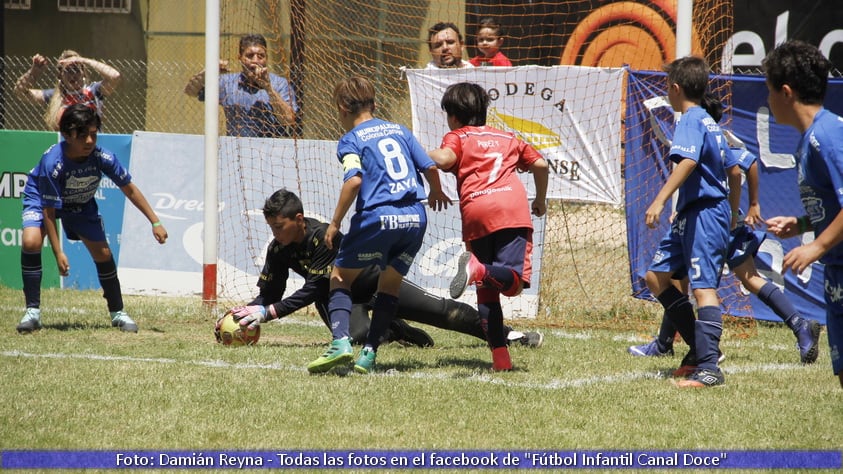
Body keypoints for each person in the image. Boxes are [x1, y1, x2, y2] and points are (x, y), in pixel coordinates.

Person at [219, 189, 544, 348]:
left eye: (279, 226)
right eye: (272, 227)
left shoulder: (322, 237)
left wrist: (270, 312)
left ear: (299, 220)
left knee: (444, 312)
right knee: (357, 339)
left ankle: (511, 336)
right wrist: (251, 310)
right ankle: (396, 330)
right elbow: (271, 292)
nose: (275, 234)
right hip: (339, 300)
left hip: (376, 282)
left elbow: (315, 287)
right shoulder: (278, 249)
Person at [629, 101, 821, 369]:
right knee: (692, 279)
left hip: (713, 223)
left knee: (689, 282)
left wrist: (749, 206)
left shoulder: (710, 140)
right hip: (715, 220)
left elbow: (746, 163)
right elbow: (740, 167)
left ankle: (689, 349)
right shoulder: (711, 139)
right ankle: (666, 344)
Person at [305, 76, 449, 374]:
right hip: (414, 216)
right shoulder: (400, 130)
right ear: (374, 104)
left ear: (343, 107)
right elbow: (431, 167)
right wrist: (435, 190)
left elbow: (354, 180)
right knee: (389, 287)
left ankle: (340, 343)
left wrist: (334, 222)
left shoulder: (351, 139)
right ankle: (369, 354)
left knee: (340, 278)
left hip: (377, 216)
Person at [16, 104, 168, 335]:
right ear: (67, 135)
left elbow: (130, 189)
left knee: (104, 254)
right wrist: (58, 253)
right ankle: (32, 312)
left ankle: (118, 313)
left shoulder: (102, 157)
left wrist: (155, 222)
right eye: (83, 135)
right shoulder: (52, 164)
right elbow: (49, 212)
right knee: (31, 242)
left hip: (80, 204)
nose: (89, 141)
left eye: (94, 134)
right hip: (41, 200)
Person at [428, 82, 549, 372]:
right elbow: (541, 164)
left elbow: (442, 160)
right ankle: (478, 269)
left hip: (476, 212)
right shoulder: (508, 136)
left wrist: (418, 154)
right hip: (510, 210)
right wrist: (540, 199)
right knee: (514, 285)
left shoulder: (458, 136)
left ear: (454, 116)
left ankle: (501, 360)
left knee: (487, 292)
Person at [641, 57, 733, 388]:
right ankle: (697, 349)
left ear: (676, 89)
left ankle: (710, 368)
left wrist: (660, 199)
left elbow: (689, 161)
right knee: (656, 276)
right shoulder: (707, 120)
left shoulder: (691, 119)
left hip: (706, 212)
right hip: (694, 212)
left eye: (668, 87)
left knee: (704, 288)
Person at [762, 40, 843, 389]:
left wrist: (814, 247)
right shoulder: (808, 140)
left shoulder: (828, 135)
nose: (767, 100)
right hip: (836, 272)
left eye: (769, 91)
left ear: (785, 92)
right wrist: (802, 223)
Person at [184, 33, 298, 138]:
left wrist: (268, 88)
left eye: (260, 56)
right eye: (250, 55)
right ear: (240, 58)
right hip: (237, 149)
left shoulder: (279, 84)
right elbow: (190, 91)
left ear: (266, 58)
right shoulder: (227, 83)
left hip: (273, 149)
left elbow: (289, 120)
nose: (255, 61)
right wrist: (209, 71)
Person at [14, 50, 121, 131]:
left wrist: (83, 60)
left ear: (83, 72)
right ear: (60, 74)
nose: (73, 75)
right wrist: (34, 71)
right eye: (68, 70)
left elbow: (115, 76)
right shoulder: (54, 95)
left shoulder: (94, 91)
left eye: (76, 70)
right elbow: (20, 92)